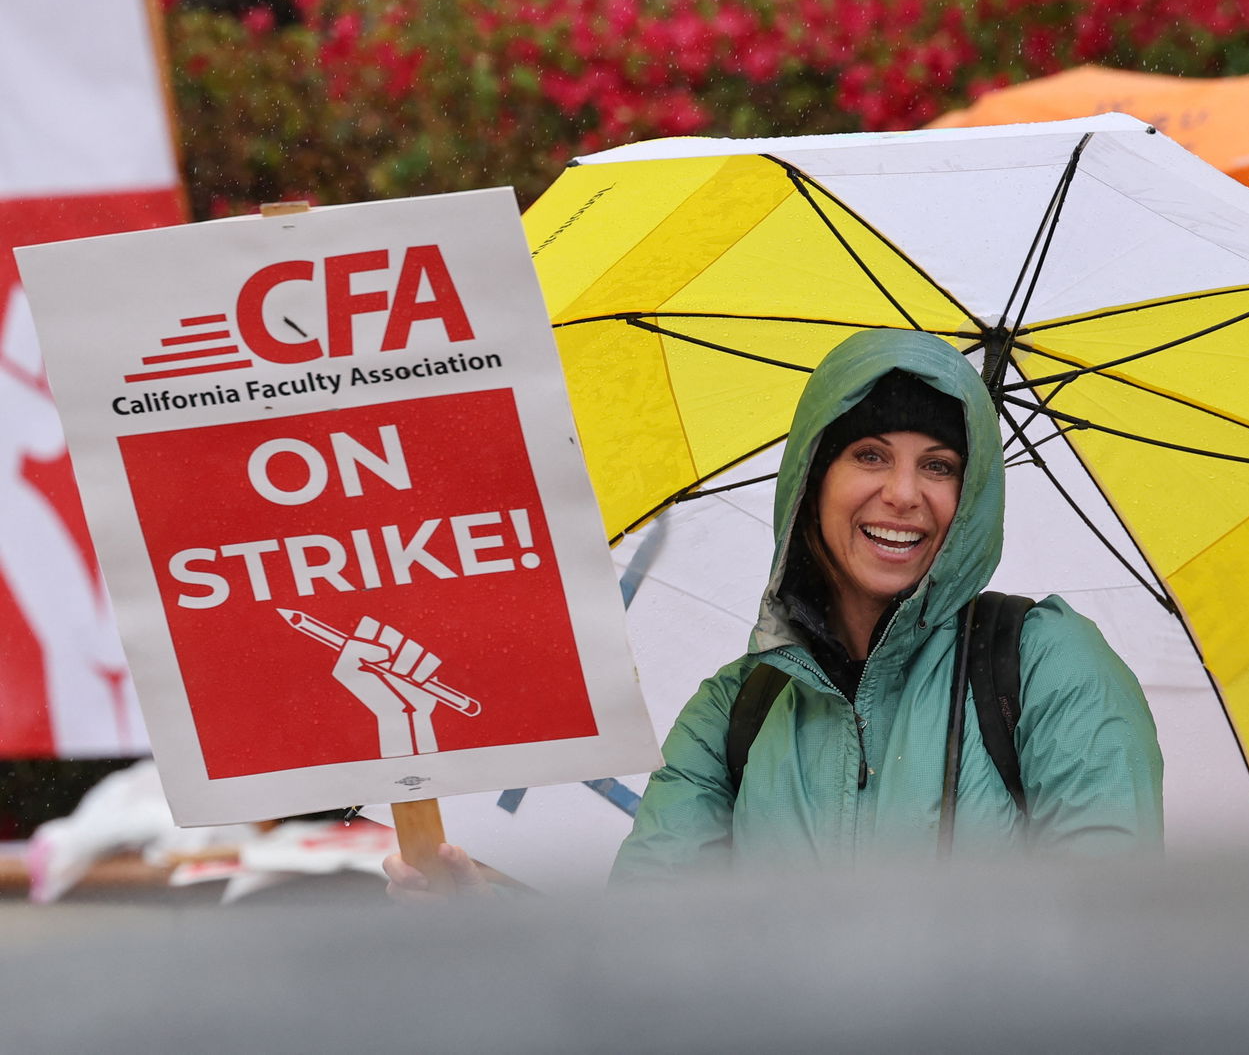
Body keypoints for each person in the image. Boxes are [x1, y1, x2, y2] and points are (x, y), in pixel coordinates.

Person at [385, 328, 1162, 897]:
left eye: (940, 465)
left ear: (970, 496)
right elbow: (641, 965)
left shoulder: (1044, 668)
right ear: (812, 478)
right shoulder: (738, 711)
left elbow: (1111, 944)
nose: (902, 493)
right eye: (869, 455)